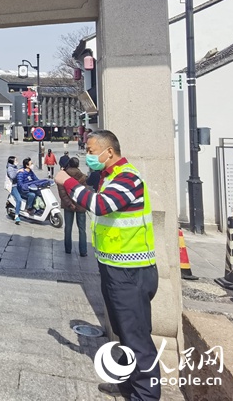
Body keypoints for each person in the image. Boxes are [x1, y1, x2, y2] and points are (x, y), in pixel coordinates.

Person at [54, 130, 159, 401]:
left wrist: (67, 181)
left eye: (91, 150)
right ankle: (127, 383)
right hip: (114, 267)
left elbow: (100, 205)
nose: (88, 155)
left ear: (108, 151)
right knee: (125, 332)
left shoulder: (127, 178)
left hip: (132, 271)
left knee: (136, 336)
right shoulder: (107, 177)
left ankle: (146, 395)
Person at [58, 157, 88, 256]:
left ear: (69, 164)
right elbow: (86, 192)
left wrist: (69, 204)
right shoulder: (83, 176)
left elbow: (62, 193)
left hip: (68, 206)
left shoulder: (64, 176)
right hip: (81, 205)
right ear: (78, 165)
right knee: (82, 229)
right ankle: (83, 251)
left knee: (68, 228)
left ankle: (68, 249)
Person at [6, 156, 23, 224]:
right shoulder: (10, 168)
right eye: (16, 160)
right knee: (19, 200)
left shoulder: (15, 167)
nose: (17, 161)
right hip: (13, 187)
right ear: (12, 161)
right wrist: (18, 171)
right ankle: (16, 216)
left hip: (19, 185)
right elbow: (12, 176)